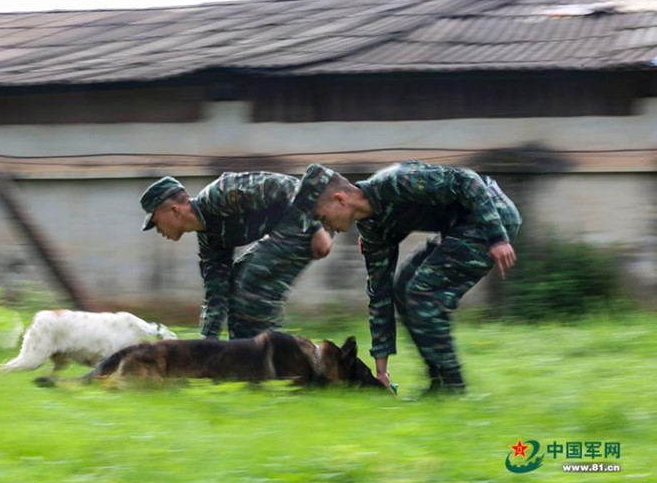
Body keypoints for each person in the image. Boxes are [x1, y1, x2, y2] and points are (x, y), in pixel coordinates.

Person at [295, 161, 522, 396]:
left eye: (321, 217)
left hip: (491, 217)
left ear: (341, 199)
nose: (324, 227)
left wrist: (497, 238)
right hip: (458, 227)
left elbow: (468, 180)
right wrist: (381, 370)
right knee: (403, 287)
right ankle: (439, 382)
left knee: (421, 292)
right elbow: (379, 293)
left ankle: (453, 387)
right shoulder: (372, 228)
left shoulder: (394, 182)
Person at [140, 172, 332, 339]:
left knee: (253, 276)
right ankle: (242, 355)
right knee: (235, 279)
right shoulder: (210, 240)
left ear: (174, 210)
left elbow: (288, 187)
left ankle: (280, 355)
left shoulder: (219, 194)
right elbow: (216, 293)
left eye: (156, 222)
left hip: (310, 219)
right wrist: (207, 344)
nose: (158, 231)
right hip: (289, 232)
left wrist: (316, 227)